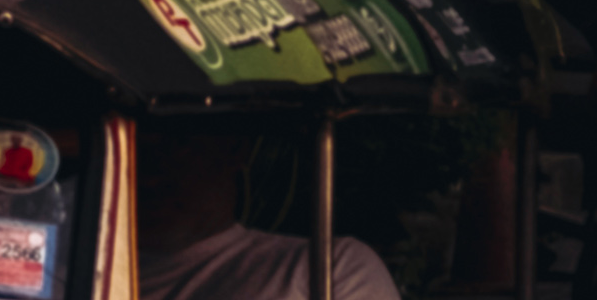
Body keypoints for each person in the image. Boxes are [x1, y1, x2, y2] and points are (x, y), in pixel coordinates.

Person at [135, 123, 399, 300]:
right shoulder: (99, 272)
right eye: (136, 146)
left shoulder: (328, 267)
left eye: (179, 142)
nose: (148, 173)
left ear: (235, 147)